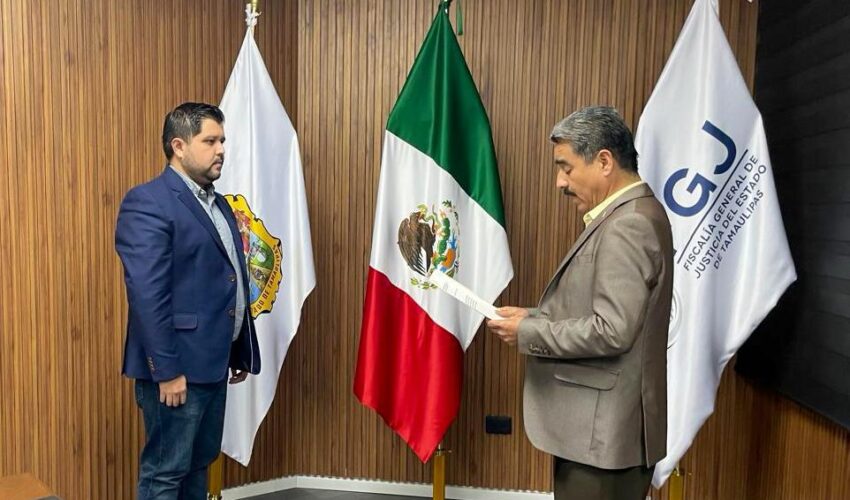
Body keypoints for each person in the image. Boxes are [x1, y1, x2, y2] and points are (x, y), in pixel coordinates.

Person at [487, 106, 673, 500]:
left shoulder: (629, 224)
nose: (560, 182)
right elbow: (602, 312)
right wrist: (533, 316)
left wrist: (529, 332)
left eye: (566, 168)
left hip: (605, 439)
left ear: (604, 161)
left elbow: (612, 331)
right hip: (599, 436)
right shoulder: (626, 215)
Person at [115, 102, 261, 499]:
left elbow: (226, 277)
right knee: (166, 473)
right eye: (210, 141)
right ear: (178, 146)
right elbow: (147, 295)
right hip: (176, 370)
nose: (221, 150)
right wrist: (166, 371)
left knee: (198, 465)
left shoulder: (219, 204)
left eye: (222, 140)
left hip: (214, 364)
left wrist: (237, 349)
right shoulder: (148, 202)